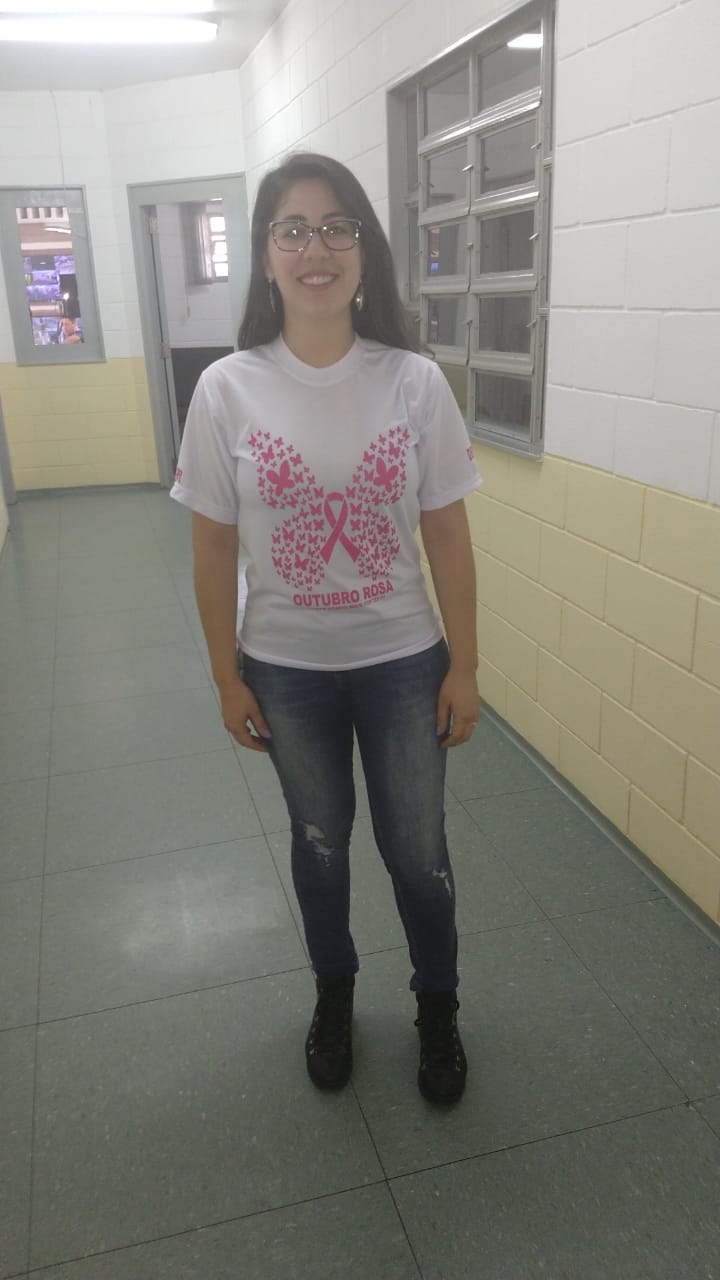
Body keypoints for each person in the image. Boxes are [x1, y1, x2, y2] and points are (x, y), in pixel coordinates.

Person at [171, 153, 482, 1105]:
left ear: (365, 250)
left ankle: (438, 1008)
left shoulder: (414, 381)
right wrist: (226, 674)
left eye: (337, 227)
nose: (317, 249)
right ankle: (335, 996)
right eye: (293, 230)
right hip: (285, 669)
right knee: (319, 843)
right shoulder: (226, 389)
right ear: (266, 256)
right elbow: (213, 545)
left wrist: (465, 666)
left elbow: (448, 534)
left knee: (419, 855)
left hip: (403, 661)